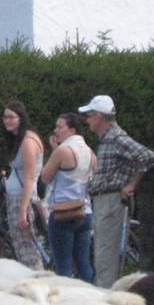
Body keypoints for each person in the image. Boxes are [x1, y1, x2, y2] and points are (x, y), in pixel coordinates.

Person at [80, 94, 154, 288]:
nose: (87, 120)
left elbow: (146, 156)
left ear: (98, 117)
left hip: (110, 200)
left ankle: (106, 296)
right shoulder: (109, 138)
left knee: (105, 253)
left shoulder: (116, 138)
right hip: (104, 200)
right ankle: (105, 292)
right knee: (102, 252)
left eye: (89, 116)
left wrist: (131, 185)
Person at [40, 112, 97, 282]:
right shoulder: (90, 152)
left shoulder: (63, 150)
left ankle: (66, 302)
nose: (56, 130)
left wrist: (54, 151)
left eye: (59, 127)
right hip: (84, 211)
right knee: (83, 263)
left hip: (63, 213)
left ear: (71, 130)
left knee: (63, 266)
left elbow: (45, 177)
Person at [0, 100, 46, 270]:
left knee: (28, 249)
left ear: (21, 118)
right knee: (22, 247)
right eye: (5, 117)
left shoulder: (28, 142)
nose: (7, 121)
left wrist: (22, 210)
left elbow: (29, 178)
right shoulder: (20, 139)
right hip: (16, 196)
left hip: (23, 198)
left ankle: (36, 282)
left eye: (11, 117)